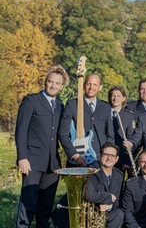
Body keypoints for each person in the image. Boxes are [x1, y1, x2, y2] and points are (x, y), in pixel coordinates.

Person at [15, 65, 67, 227]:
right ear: (45, 81)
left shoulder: (60, 105)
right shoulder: (31, 101)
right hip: (32, 161)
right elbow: (21, 130)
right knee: (28, 203)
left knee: (45, 207)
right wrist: (22, 157)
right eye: (50, 81)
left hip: (52, 165)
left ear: (62, 86)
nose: (53, 85)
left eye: (57, 83)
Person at [58, 73, 114, 168]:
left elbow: (110, 135)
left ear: (100, 87)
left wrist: (105, 154)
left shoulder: (106, 107)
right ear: (84, 85)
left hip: (99, 161)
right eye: (89, 84)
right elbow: (63, 134)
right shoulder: (72, 105)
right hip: (76, 160)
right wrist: (74, 155)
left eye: (95, 84)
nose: (91, 87)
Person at [85, 143, 125, 228]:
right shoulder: (91, 172)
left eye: (112, 155)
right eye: (106, 154)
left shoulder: (119, 175)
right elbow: (89, 195)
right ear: (100, 156)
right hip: (88, 213)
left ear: (117, 159)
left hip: (106, 213)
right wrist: (109, 197)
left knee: (119, 214)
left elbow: (119, 200)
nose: (109, 158)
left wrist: (109, 206)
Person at [108, 86, 137, 173]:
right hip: (104, 155)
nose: (115, 98)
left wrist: (127, 161)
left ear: (123, 98)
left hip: (120, 158)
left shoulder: (129, 116)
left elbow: (130, 139)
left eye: (118, 96)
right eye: (113, 96)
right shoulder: (103, 113)